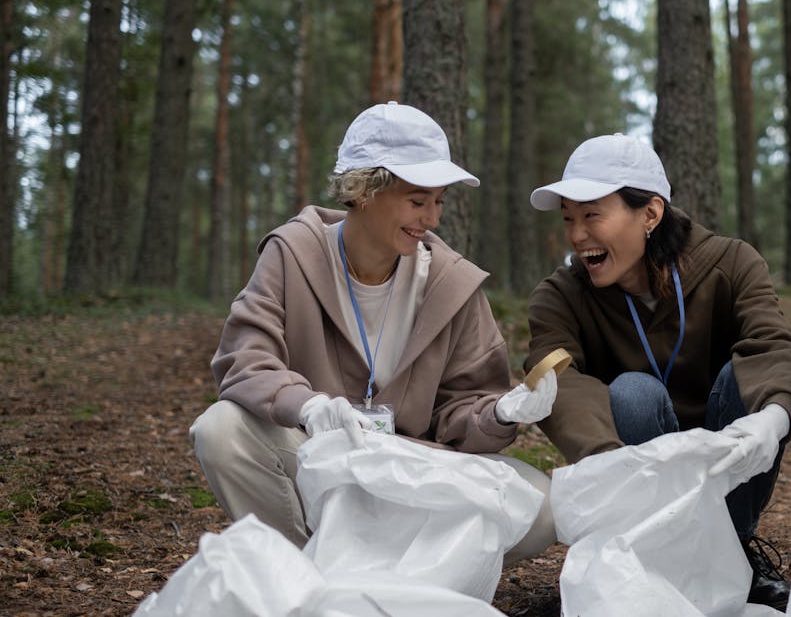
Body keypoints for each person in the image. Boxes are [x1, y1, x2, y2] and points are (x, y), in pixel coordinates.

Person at [190, 102, 558, 566]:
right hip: (318, 457)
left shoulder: (451, 284)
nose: (433, 218)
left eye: (439, 201)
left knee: (541, 505)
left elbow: (461, 410)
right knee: (220, 430)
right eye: (418, 200)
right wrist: (307, 405)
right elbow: (244, 358)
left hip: (412, 470)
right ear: (363, 190)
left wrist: (501, 413)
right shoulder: (292, 254)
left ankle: (404, 580)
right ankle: (306, 576)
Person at [524, 133, 791, 610]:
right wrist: (606, 458)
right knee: (632, 393)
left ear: (650, 214)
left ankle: (734, 551)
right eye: (569, 218)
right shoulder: (562, 294)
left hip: (726, 456)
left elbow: (772, 343)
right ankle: (648, 554)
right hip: (638, 474)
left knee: (749, 381)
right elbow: (556, 373)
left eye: (592, 215)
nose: (576, 235)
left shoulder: (732, 263)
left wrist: (774, 416)